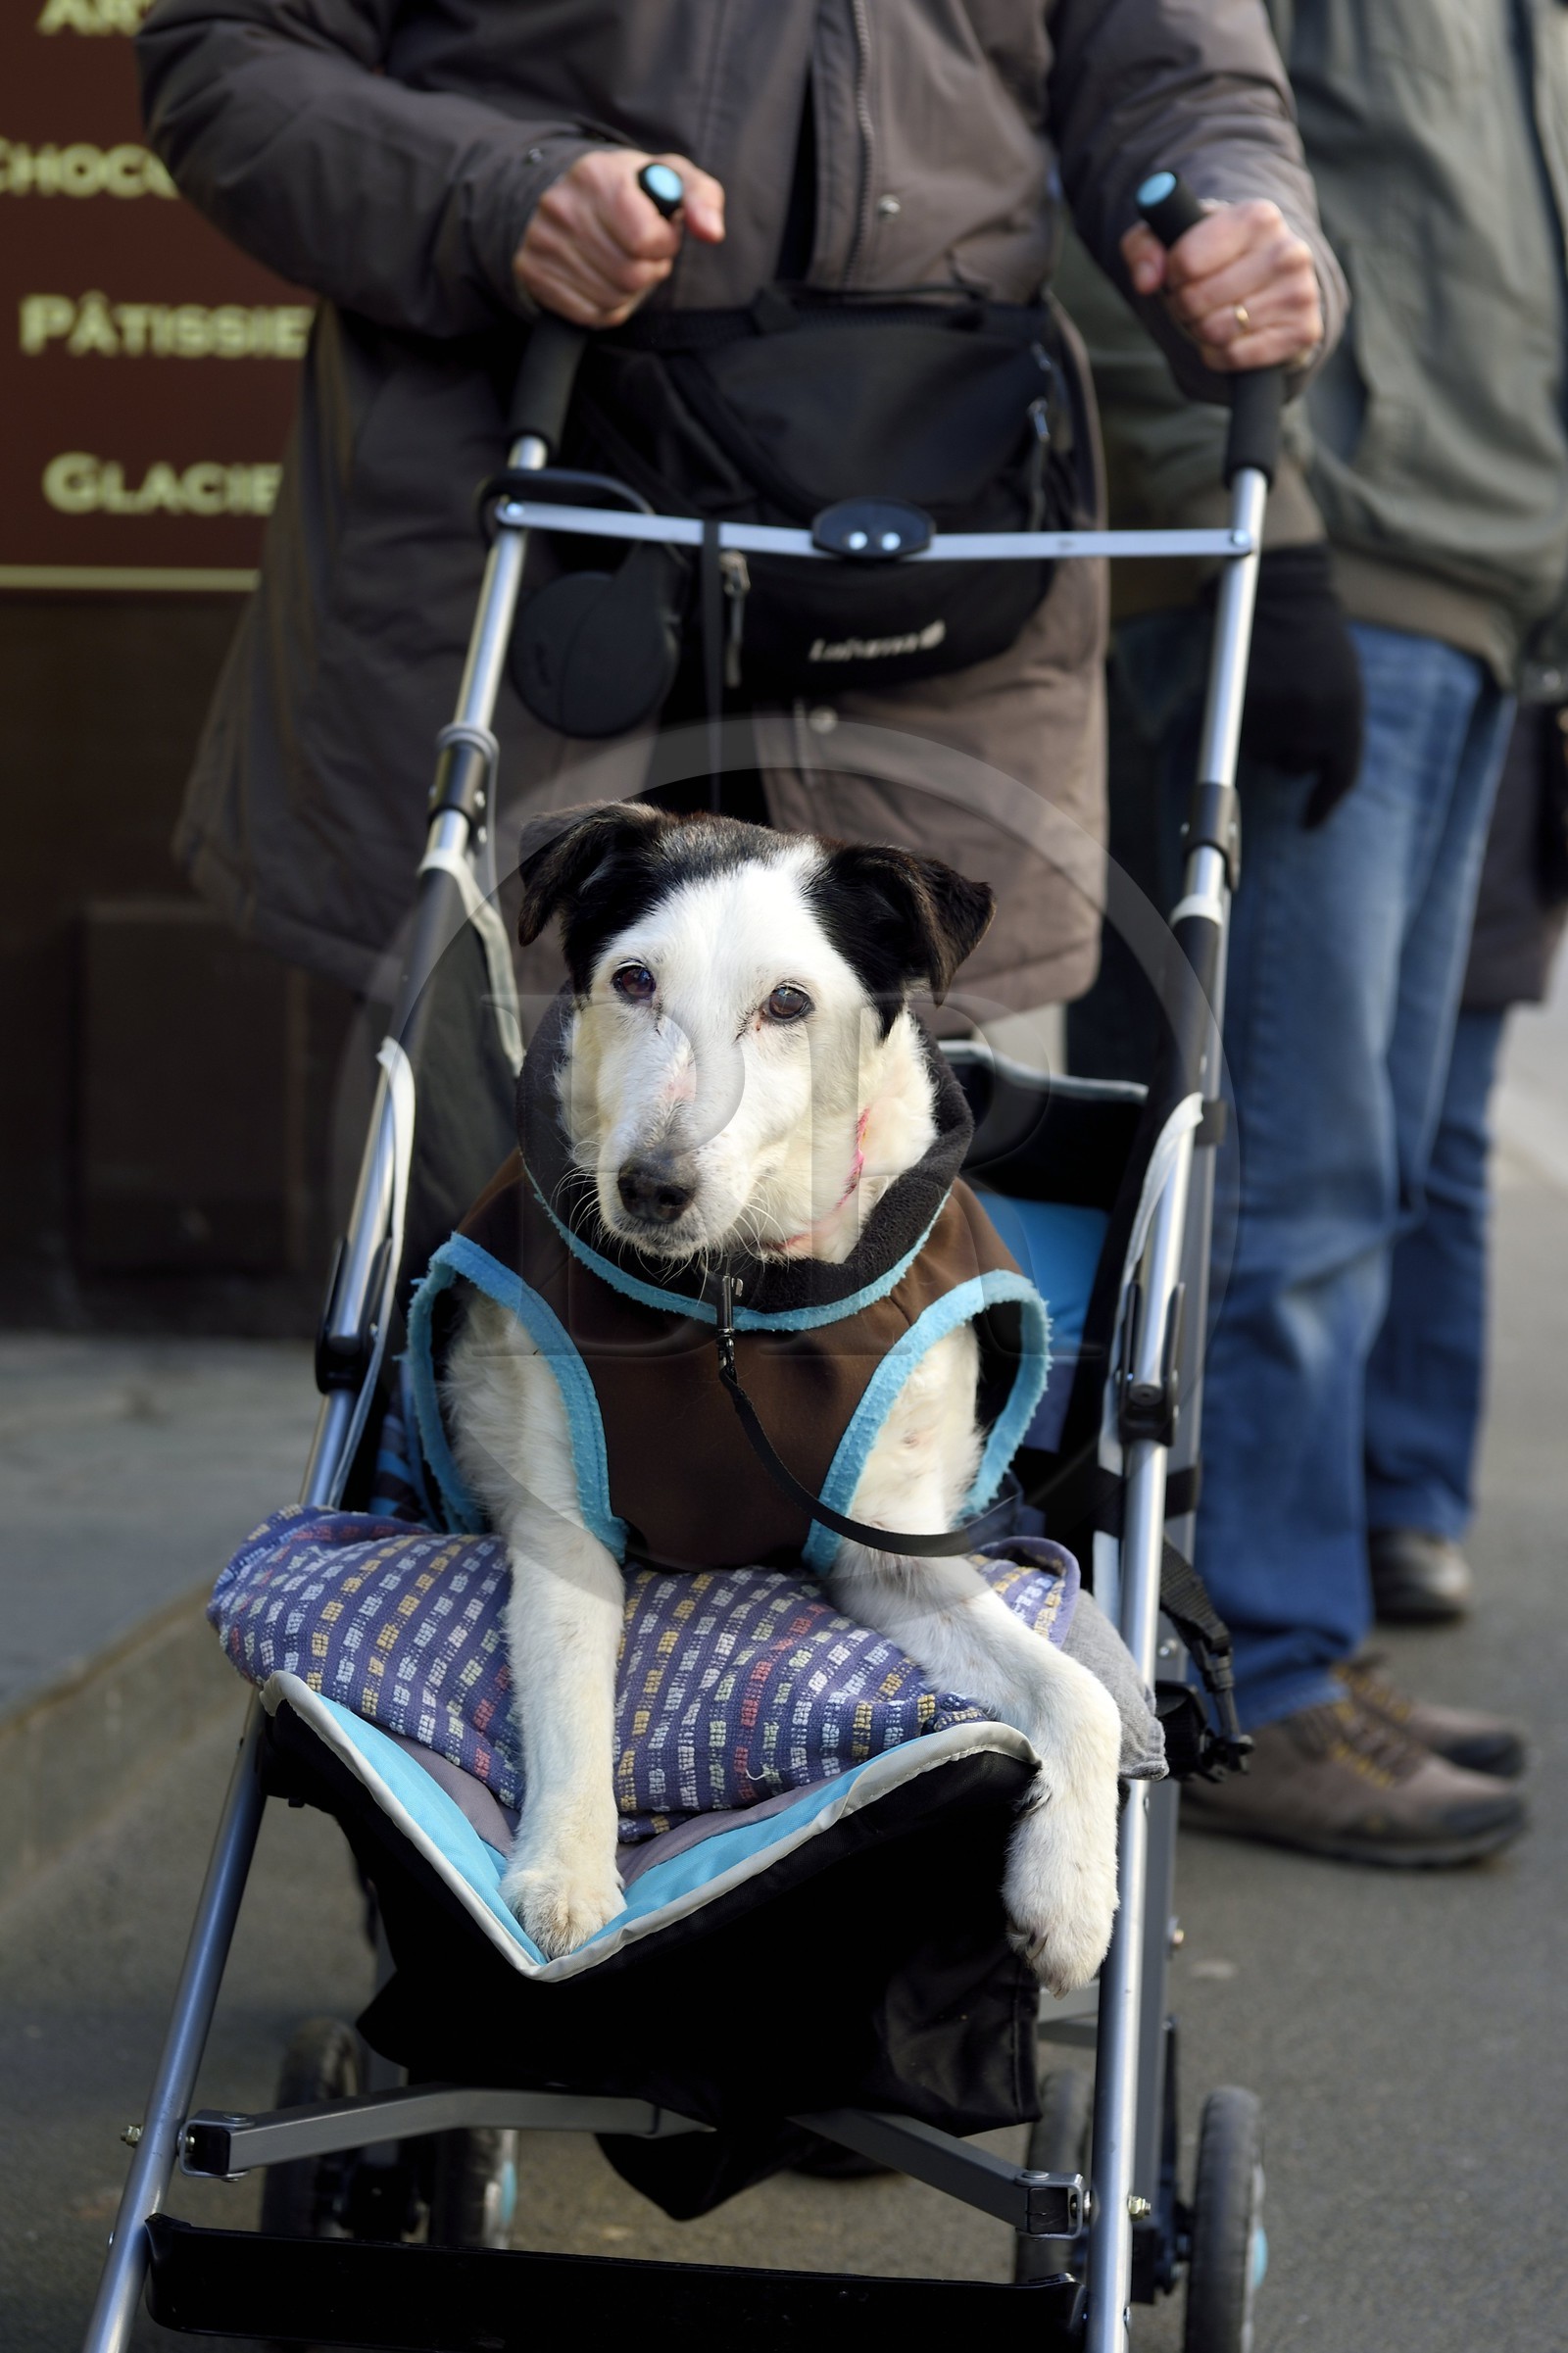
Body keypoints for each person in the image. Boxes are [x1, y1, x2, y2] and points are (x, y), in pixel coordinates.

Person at [133, 0, 1340, 1040]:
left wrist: (1244, 228)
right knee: (479, 1220)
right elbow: (225, 53)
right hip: (526, 563)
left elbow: (1189, 89)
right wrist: (500, 196)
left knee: (922, 1229)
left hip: (943, 615)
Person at [1056, 0, 1568, 1863]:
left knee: (1360, 1166)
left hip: (1480, 593)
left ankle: (1284, 1635)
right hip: (1329, 562)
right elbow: (1124, 176)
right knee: (1286, 1173)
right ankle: (1247, 1669)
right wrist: (1243, 531)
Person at [1366, 685, 1568, 1623]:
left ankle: (1408, 1496)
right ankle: (1278, 1517)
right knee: (1294, 1162)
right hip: (1364, 668)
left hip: (1511, 727)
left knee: (1443, 1151)